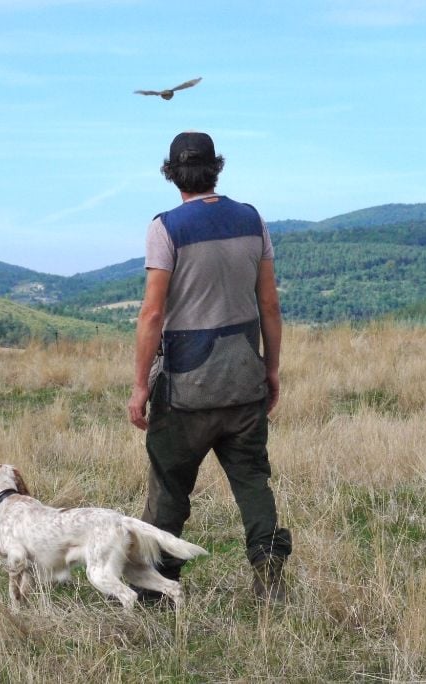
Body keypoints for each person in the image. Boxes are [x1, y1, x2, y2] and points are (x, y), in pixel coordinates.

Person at [127, 131, 292, 603]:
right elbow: (269, 305)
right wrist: (271, 370)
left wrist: (140, 387)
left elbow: (153, 314)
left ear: (173, 174)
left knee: (169, 494)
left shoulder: (165, 228)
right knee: (253, 484)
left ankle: (158, 593)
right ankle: (269, 578)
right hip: (244, 380)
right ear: (216, 168)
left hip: (185, 391)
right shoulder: (252, 220)